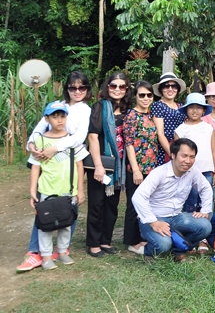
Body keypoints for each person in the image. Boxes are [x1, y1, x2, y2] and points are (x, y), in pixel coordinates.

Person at [18, 71, 92, 272]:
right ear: (67, 88)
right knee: (45, 210)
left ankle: (62, 249)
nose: (77, 91)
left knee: (68, 210)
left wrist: (55, 148)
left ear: (87, 89)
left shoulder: (85, 110)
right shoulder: (57, 105)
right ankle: (37, 252)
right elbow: (37, 131)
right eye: (73, 87)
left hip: (69, 160)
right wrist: (32, 145)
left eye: (82, 87)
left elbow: (79, 138)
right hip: (47, 164)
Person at [27, 102, 88, 270]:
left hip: (68, 191)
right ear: (47, 119)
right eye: (54, 117)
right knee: (45, 224)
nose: (59, 120)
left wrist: (80, 190)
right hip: (47, 189)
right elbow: (35, 167)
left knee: (66, 222)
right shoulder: (40, 141)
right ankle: (46, 256)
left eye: (62, 116)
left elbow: (80, 165)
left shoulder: (72, 140)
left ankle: (62, 251)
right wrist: (32, 191)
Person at [132, 138, 213, 262]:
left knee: (205, 226)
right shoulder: (159, 173)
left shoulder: (193, 172)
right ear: (173, 155)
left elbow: (206, 188)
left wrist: (205, 210)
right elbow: (138, 197)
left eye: (192, 157)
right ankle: (149, 251)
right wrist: (154, 222)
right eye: (184, 156)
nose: (188, 161)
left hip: (176, 217)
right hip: (154, 218)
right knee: (164, 244)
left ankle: (178, 251)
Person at [86, 71, 131, 257]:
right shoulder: (100, 107)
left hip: (119, 166)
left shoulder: (128, 110)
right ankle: (93, 243)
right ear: (108, 87)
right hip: (102, 162)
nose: (117, 89)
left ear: (126, 89)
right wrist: (98, 166)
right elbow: (93, 137)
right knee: (97, 204)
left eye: (121, 86)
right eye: (113, 86)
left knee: (112, 205)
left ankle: (106, 240)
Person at [123, 81, 162, 256]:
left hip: (151, 168)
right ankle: (132, 241)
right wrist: (136, 169)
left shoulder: (150, 115)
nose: (146, 98)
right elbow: (129, 144)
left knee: (146, 204)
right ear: (135, 96)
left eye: (149, 95)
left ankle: (141, 236)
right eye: (142, 95)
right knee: (134, 204)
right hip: (137, 168)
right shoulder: (132, 116)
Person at [174, 93, 215, 223]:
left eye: (199, 107)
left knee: (207, 201)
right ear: (186, 110)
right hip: (188, 173)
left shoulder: (208, 128)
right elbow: (177, 156)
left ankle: (207, 231)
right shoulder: (180, 130)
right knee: (191, 202)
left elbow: (214, 151)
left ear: (204, 110)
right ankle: (191, 228)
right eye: (191, 107)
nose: (195, 111)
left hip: (207, 172)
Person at [151, 72, 187, 165]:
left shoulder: (181, 106)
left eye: (174, 86)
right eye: (166, 86)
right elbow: (160, 134)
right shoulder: (158, 106)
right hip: (165, 150)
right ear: (161, 89)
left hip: (180, 148)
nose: (170, 89)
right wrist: (172, 154)